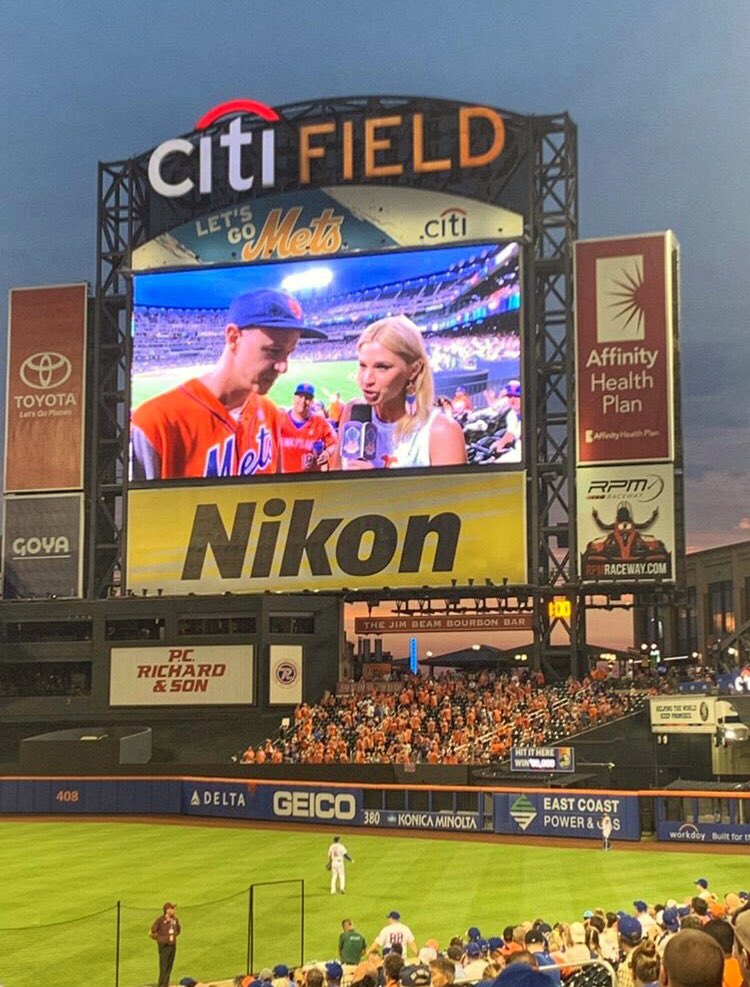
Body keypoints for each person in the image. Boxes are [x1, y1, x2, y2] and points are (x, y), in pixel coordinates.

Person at [131, 289, 325, 479]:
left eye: (289, 353)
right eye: (273, 351)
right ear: (234, 338)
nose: (283, 367)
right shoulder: (155, 424)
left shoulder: (271, 414)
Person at [336, 315, 466, 470]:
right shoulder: (353, 412)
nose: (366, 379)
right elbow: (332, 484)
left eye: (382, 367)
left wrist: (375, 485)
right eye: (363, 366)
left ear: (414, 370)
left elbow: (451, 494)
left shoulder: (442, 432)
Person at [280, 382, 338, 472]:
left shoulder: (320, 422)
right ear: (293, 398)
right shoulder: (280, 420)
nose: (303, 401)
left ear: (312, 401)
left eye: (307, 398)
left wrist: (327, 453)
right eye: (300, 396)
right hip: (284, 480)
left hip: (310, 479)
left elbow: (335, 443)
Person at [150, 901, 181, 987]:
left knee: (169, 966)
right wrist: (160, 939)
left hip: (172, 945)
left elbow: (178, 931)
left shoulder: (175, 920)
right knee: (163, 967)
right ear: (167, 910)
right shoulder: (160, 920)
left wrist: (172, 936)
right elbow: (152, 932)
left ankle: (165, 984)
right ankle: (162, 985)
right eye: (172, 908)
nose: (174, 910)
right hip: (164, 946)